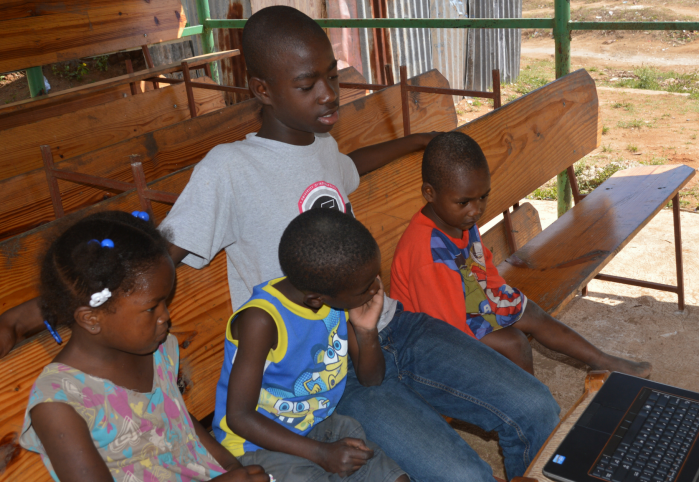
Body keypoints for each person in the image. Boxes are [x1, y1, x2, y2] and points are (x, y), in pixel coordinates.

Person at [3, 7, 561, 480]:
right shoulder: (229, 169)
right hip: (322, 367)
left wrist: (413, 140)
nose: (327, 94)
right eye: (307, 84)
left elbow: (346, 170)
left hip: (392, 324)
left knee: (538, 408)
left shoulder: (321, 143)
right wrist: (30, 315)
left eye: (330, 75)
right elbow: (143, 259)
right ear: (263, 90)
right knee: (464, 474)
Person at [19, 211, 271, 482]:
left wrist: (233, 469)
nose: (166, 316)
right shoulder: (59, 403)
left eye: (165, 301)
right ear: (91, 319)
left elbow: (181, 423)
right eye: (152, 307)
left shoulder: (154, 351)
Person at [390, 132, 653, 378]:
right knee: (514, 343)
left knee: (531, 312)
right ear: (429, 193)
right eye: (464, 202)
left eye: (483, 197)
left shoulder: (457, 220)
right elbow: (448, 330)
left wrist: (507, 301)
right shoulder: (426, 254)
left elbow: (484, 271)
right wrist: (498, 322)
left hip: (466, 304)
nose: (476, 209)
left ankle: (601, 361)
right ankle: (527, 409)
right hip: (431, 338)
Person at [213, 209, 408, 482]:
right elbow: (239, 417)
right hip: (257, 445)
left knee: (395, 478)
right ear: (316, 299)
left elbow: (371, 379)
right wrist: (319, 453)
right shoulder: (262, 320)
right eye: (366, 287)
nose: (376, 289)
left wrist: (366, 331)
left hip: (317, 427)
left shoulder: (336, 297)